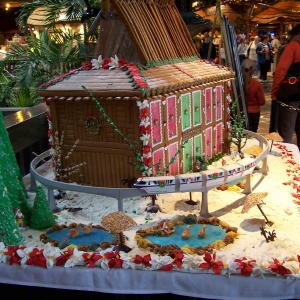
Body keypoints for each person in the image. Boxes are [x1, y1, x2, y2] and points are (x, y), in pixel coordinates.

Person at [271, 24, 300, 149]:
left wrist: (275, 91)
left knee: (286, 133)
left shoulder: (293, 46)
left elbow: (281, 70)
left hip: (291, 95)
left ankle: (287, 162)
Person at [241, 59, 266, 132]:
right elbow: (262, 102)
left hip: (241, 112)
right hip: (254, 113)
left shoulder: (237, 85)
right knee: (252, 136)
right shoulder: (257, 85)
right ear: (253, 70)